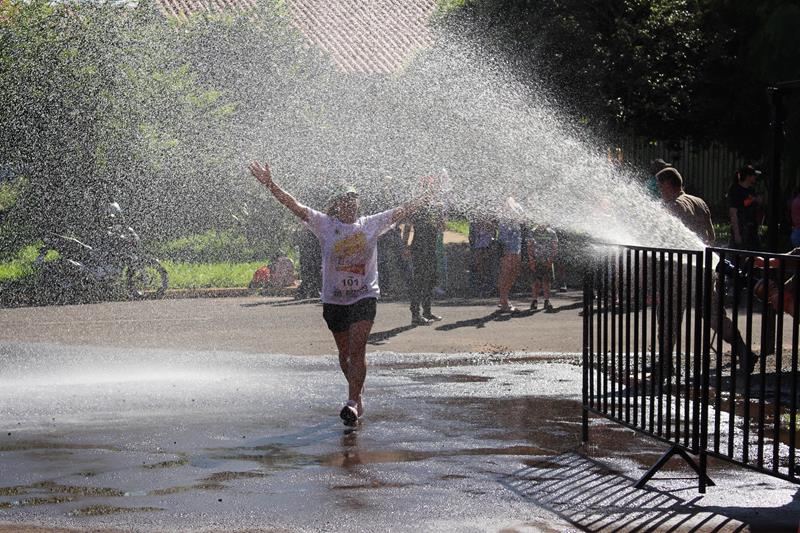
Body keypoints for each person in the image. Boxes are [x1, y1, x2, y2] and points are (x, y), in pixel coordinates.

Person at [249, 161, 431, 427]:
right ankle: (357, 394)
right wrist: (270, 184)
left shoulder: (370, 224)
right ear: (335, 205)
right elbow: (294, 205)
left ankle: (352, 402)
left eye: (353, 200)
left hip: (364, 296)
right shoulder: (324, 225)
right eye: (345, 201)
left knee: (357, 350)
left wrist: (427, 196)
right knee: (345, 354)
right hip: (334, 300)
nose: (350, 204)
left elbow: (401, 212)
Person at [657, 167, 757, 374]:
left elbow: (665, 240)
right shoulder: (699, 202)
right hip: (705, 266)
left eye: (660, 185)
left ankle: (666, 364)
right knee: (713, 315)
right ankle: (743, 351)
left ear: (668, 184)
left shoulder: (673, 206)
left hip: (681, 269)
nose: (659, 190)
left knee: (669, 315)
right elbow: (710, 236)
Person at [405, 202, 445, 325]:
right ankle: (415, 314)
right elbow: (407, 227)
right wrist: (405, 246)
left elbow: (442, 227)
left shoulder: (436, 209)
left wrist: (440, 215)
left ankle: (427, 311)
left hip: (431, 249)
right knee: (419, 282)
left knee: (430, 280)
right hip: (418, 250)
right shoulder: (416, 209)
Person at [497, 197, 524, 313]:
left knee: (514, 272)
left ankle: (504, 299)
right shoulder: (506, 202)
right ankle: (504, 302)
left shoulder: (517, 204)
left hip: (516, 243)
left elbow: (522, 220)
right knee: (507, 273)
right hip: (507, 244)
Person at [727, 164, 763, 250]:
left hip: (752, 229)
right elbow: (733, 212)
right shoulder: (735, 190)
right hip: (742, 229)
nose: (755, 178)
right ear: (748, 176)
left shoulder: (751, 190)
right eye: (754, 175)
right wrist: (737, 235)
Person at [527, 223, 558, 312]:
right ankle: (534, 300)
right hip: (536, 260)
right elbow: (529, 246)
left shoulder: (552, 233)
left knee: (546, 281)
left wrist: (550, 260)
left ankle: (546, 300)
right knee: (535, 282)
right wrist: (532, 260)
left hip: (547, 261)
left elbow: (554, 247)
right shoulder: (532, 232)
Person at [468, 217, 497, 297]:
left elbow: (493, 231)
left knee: (487, 264)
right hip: (478, 245)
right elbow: (471, 234)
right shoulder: (474, 220)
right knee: (480, 265)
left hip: (487, 244)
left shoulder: (489, 218)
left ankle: (487, 284)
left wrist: (492, 244)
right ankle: (481, 284)